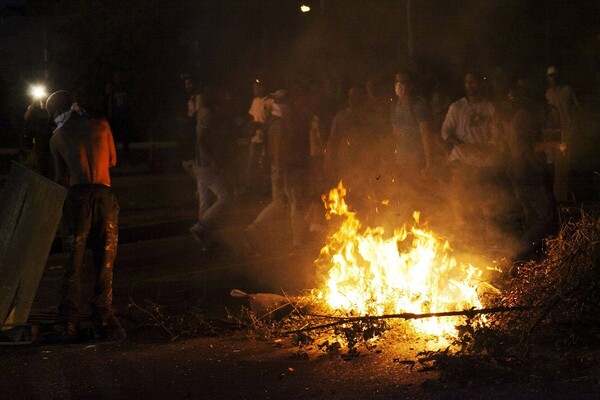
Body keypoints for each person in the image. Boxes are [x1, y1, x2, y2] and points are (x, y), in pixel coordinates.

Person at [47, 90, 124, 341]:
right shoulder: (101, 125)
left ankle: (68, 321)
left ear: (55, 113)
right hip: (105, 195)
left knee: (73, 263)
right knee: (105, 261)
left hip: (77, 198)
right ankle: (103, 318)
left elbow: (61, 176)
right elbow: (112, 160)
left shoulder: (57, 137)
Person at [501, 85, 565, 261]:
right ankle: (517, 253)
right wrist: (557, 145)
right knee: (548, 214)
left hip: (519, 171)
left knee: (533, 216)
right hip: (527, 173)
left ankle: (528, 259)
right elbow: (530, 147)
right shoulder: (526, 118)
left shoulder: (520, 117)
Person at [245, 89, 308, 251]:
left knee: (281, 203)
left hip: (281, 168)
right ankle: (298, 243)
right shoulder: (279, 125)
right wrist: (280, 171)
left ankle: (255, 227)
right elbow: (279, 150)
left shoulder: (274, 123)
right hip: (286, 169)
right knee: (295, 203)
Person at [187, 90, 230, 250]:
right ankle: (201, 227)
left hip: (199, 164)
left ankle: (205, 241)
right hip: (205, 165)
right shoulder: (208, 114)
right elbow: (202, 139)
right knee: (225, 197)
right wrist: (212, 160)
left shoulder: (199, 114)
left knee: (204, 202)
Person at [390, 70, 435, 179]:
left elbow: (426, 136)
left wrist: (429, 163)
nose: (399, 85)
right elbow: (395, 133)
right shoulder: (395, 106)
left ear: (410, 85)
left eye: (403, 82)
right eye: (397, 81)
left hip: (416, 158)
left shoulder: (418, 106)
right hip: (400, 158)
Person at [545, 66, 579, 203]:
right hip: (553, 132)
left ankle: (563, 197)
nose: (553, 78)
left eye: (554, 75)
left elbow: (576, 107)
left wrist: (574, 125)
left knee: (564, 163)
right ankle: (555, 197)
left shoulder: (567, 90)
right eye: (550, 76)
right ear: (548, 78)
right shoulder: (547, 93)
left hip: (567, 131)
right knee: (552, 163)